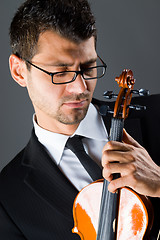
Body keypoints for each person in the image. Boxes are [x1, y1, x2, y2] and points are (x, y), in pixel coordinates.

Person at [0, 0, 160, 239]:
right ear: (19, 71)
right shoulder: (7, 198)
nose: (80, 87)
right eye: (60, 72)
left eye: (88, 67)